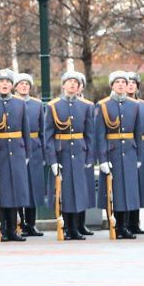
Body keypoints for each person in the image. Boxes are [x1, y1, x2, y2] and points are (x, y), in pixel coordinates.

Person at [43, 70, 97, 240]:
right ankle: (67, 227)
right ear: (63, 85)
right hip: (62, 153)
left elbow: (90, 134)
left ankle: (77, 227)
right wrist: (52, 160)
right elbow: (48, 136)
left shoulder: (86, 106)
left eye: (75, 82)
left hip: (80, 153)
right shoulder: (53, 106)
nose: (72, 84)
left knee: (79, 191)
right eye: (69, 82)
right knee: (65, 192)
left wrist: (90, 157)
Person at [0, 67, 30, 242]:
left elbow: (25, 130)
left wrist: (26, 153)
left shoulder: (20, 103)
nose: (4, 84)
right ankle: (3, 228)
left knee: (16, 191)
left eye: (8, 82)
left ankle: (13, 229)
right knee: (2, 193)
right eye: (1, 82)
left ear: (12, 85)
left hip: (17, 151)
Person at [97, 71, 142, 239]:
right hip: (112, 152)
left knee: (129, 190)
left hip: (129, 152)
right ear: (112, 85)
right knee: (115, 190)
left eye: (124, 82)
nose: (122, 85)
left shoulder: (134, 105)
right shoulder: (103, 105)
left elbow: (137, 132)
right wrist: (102, 158)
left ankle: (126, 225)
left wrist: (138, 155)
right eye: (118, 82)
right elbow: (100, 134)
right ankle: (115, 224)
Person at [14, 73, 46, 237]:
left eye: (27, 84)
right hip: (18, 146)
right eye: (21, 84)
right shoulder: (13, 103)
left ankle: (31, 223)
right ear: (16, 87)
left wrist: (43, 151)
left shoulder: (37, 104)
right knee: (20, 186)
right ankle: (20, 222)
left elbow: (43, 130)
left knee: (33, 187)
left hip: (34, 147)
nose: (24, 86)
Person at [126, 73, 144, 236]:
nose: (130, 86)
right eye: (127, 83)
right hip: (128, 146)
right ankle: (124, 222)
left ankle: (135, 222)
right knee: (126, 187)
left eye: (133, 83)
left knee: (138, 187)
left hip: (141, 146)